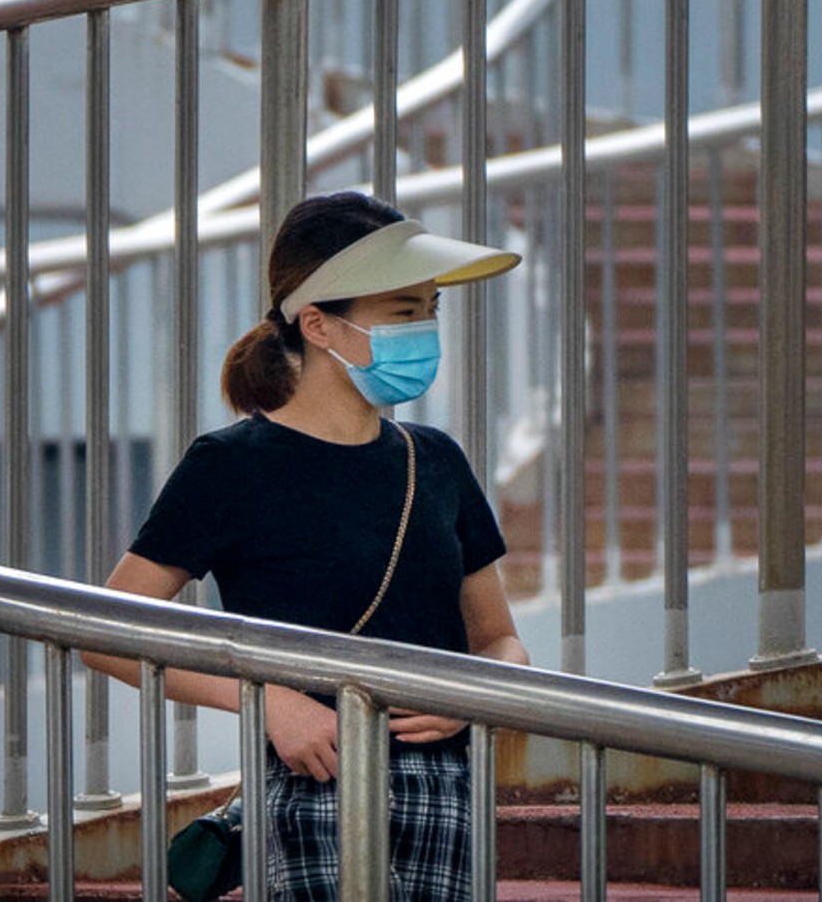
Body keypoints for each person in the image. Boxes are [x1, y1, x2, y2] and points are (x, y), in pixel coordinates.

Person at [86, 191, 529, 901]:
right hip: (311, 791)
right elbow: (106, 631)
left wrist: (474, 695)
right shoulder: (230, 465)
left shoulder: (436, 460)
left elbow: (499, 637)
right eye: (403, 312)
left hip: (449, 794)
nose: (424, 332)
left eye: (429, 311)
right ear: (319, 325)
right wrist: (268, 702)